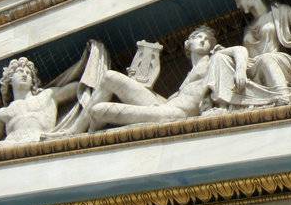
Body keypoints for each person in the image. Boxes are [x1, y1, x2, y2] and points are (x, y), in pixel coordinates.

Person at [87, 25, 242, 128]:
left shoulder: (213, 59)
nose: (203, 40)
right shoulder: (191, 72)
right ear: (188, 43)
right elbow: (170, 101)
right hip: (164, 106)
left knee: (99, 110)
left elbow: (239, 50)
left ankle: (83, 141)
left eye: (207, 40)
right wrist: (140, 85)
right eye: (199, 37)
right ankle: (73, 131)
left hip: (178, 114)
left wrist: (240, 70)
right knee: (109, 77)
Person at [0, 56, 84, 145]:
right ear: (10, 80)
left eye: (28, 73)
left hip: (42, 142)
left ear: (32, 81)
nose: (25, 75)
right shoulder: (3, 112)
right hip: (11, 146)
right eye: (20, 72)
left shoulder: (48, 95)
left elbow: (77, 87)